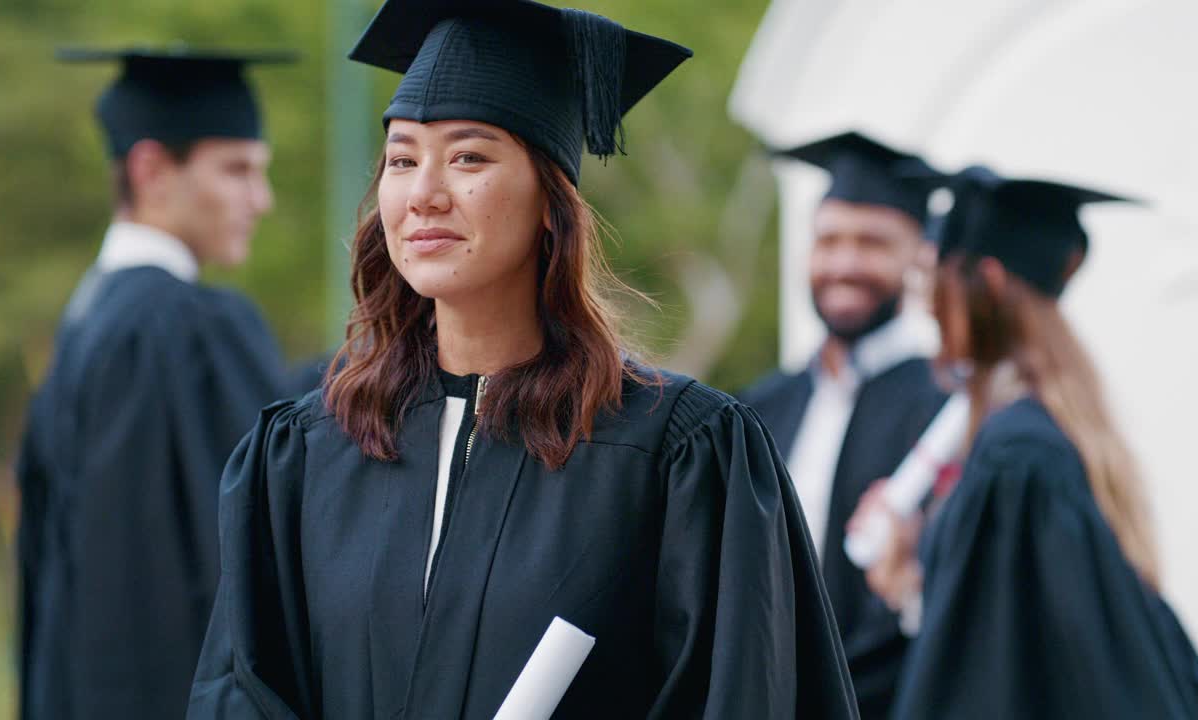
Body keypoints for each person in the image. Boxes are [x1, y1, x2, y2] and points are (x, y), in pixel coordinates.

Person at [187, 1, 861, 717]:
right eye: (402, 159)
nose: (424, 195)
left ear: (550, 198)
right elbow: (243, 691)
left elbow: (745, 695)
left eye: (469, 157)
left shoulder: (677, 455)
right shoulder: (309, 452)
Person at [866, 166, 1198, 719]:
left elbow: (989, 665)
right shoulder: (1048, 426)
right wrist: (911, 578)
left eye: (935, 281)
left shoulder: (1016, 454)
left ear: (985, 279)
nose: (929, 306)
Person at [16, 47, 300, 720]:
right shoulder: (187, 328)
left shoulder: (85, 321)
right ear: (151, 169)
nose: (260, 200)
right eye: (236, 170)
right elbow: (266, 554)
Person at [741, 130, 948, 719]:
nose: (845, 264)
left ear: (919, 255)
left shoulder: (946, 409)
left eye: (873, 242)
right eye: (829, 240)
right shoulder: (761, 406)